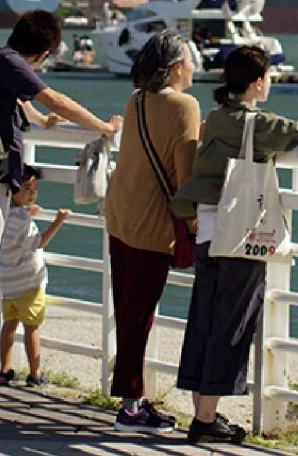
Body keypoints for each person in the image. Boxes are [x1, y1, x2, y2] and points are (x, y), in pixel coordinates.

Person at [0, 10, 122, 403]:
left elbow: (18, 101)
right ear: (45, 52)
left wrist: (37, 120)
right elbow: (56, 99)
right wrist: (105, 128)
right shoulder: (9, 63)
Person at [171, 46, 298, 444]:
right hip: (239, 237)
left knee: (205, 320)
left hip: (205, 230)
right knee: (232, 324)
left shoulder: (218, 118)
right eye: (269, 76)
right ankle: (206, 420)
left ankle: (202, 411)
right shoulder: (256, 123)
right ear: (257, 83)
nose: (271, 82)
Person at [103, 30, 200, 433]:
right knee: (138, 315)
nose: (195, 66)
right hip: (149, 223)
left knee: (128, 310)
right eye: (191, 59)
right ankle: (129, 407)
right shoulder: (186, 106)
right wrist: (196, 223)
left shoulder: (137, 99)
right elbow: (187, 173)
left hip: (120, 211)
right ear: (177, 66)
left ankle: (133, 397)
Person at [0, 165, 70, 388]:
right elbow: (38, 243)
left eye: (35, 188)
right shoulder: (22, 221)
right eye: (27, 188)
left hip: (8, 282)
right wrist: (58, 221)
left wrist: (27, 212)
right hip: (29, 282)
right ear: (13, 189)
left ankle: (4, 370)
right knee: (31, 327)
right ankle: (35, 373)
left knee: (9, 325)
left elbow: (13, 236)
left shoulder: (4, 213)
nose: (32, 193)